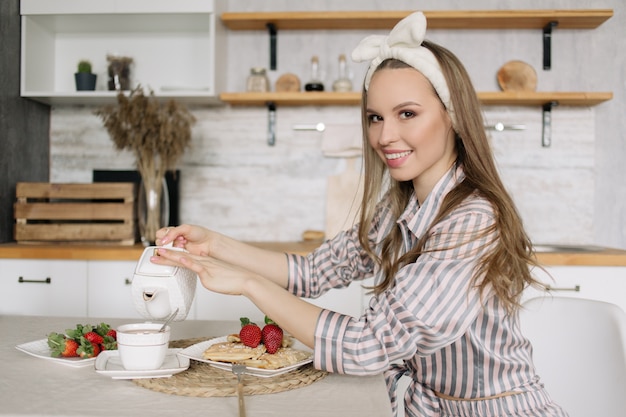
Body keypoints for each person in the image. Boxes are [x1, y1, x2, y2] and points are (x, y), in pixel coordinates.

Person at [151, 11, 568, 417]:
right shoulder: (398, 206)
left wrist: (246, 282)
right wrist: (216, 245)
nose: (385, 136)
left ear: (453, 115)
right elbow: (313, 272)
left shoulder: (474, 221)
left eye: (407, 113)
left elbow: (367, 346)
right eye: (375, 118)